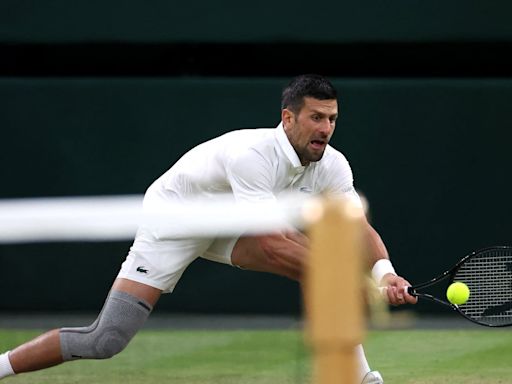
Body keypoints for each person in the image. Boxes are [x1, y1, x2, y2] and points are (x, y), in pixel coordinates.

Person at [0, 74, 416, 384]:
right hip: (175, 218)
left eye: (332, 119)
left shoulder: (332, 164)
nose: (325, 129)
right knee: (105, 339)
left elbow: (355, 226)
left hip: (230, 220)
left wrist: (384, 273)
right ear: (288, 118)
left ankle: (361, 378)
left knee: (313, 254)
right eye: (315, 118)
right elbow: (271, 244)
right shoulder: (253, 156)